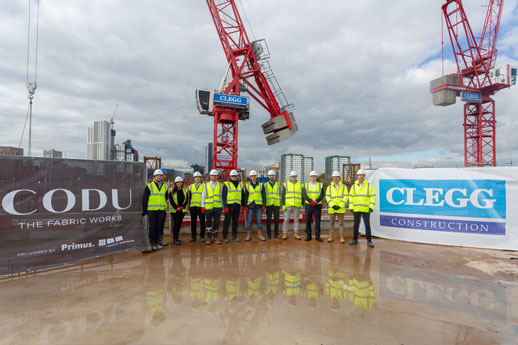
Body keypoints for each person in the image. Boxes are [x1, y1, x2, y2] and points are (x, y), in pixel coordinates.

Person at [141, 169, 168, 252]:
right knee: (152, 227)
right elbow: (145, 199)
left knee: (158, 227)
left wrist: (163, 208)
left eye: (160, 175)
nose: (159, 177)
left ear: (162, 177)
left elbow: (165, 198)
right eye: (157, 175)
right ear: (155, 177)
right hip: (152, 210)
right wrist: (145, 211)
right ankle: (152, 243)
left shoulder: (165, 187)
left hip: (161, 210)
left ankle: (157, 243)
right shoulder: (149, 186)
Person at [349, 169, 376, 248]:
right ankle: (355, 239)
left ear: (364, 176)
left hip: (366, 209)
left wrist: (371, 207)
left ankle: (369, 240)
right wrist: (351, 207)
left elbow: (372, 196)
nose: (361, 176)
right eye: (359, 175)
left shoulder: (369, 185)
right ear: (357, 176)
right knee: (356, 225)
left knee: (367, 225)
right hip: (356, 209)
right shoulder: (353, 186)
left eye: (362, 175)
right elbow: (351, 197)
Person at [325, 171, 348, 243]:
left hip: (340, 208)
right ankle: (331, 236)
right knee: (331, 222)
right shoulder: (329, 187)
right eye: (334, 177)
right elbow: (327, 197)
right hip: (332, 208)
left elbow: (345, 197)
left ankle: (341, 236)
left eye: (337, 177)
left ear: (339, 178)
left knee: (341, 223)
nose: (336, 178)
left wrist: (340, 205)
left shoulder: (344, 187)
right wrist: (332, 205)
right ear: (332, 178)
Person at [222, 169, 244, 243]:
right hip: (229, 206)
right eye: (232, 176)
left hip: (237, 206)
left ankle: (234, 236)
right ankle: (225, 237)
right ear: (230, 176)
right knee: (227, 222)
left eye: (235, 176)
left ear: (237, 176)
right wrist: (225, 206)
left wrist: (243, 205)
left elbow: (242, 195)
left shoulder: (240, 184)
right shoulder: (226, 184)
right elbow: (224, 196)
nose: (234, 177)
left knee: (235, 222)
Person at [243, 170, 266, 241]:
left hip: (258, 205)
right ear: (250, 177)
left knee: (259, 220)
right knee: (249, 220)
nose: (253, 177)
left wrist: (263, 205)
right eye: (252, 176)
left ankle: (260, 235)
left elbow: (263, 196)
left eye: (254, 176)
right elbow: (245, 197)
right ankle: (248, 235)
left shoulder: (261, 185)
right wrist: (245, 206)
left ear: (256, 176)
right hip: (250, 206)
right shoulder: (248, 186)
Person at [201, 169, 223, 245]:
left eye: (215, 175)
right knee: (209, 223)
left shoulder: (220, 185)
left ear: (217, 176)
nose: (213, 177)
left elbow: (221, 196)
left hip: (217, 207)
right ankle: (209, 238)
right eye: (212, 175)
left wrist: (222, 206)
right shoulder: (206, 185)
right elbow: (203, 196)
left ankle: (216, 238)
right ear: (210, 176)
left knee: (217, 223)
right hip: (209, 207)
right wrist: (203, 206)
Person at [302, 171, 325, 242]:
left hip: (317, 205)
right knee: (308, 220)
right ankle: (308, 235)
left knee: (317, 221)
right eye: (312, 176)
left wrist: (316, 201)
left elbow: (322, 195)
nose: (313, 177)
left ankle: (317, 236)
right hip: (309, 205)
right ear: (310, 177)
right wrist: (311, 201)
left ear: (316, 177)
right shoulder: (306, 185)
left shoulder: (320, 185)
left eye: (314, 176)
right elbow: (304, 195)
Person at [281, 170, 303, 240]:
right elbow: (283, 195)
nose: (293, 177)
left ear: (296, 177)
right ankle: (284, 233)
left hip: (296, 205)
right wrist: (283, 204)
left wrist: (302, 203)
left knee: (296, 220)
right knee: (286, 219)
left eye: (294, 176)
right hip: (288, 205)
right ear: (290, 177)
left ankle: (296, 233)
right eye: (292, 176)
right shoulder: (286, 184)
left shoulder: (300, 185)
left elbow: (302, 195)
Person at [169, 176, 188, 245]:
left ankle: (177, 237)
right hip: (175, 211)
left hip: (182, 210)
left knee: (179, 224)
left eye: (180, 182)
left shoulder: (185, 190)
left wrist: (182, 207)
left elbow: (186, 200)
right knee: (176, 224)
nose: (178, 184)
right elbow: (171, 200)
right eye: (177, 182)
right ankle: (175, 238)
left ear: (182, 183)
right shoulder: (171, 191)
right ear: (175, 183)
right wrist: (177, 207)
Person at [264, 170, 281, 240]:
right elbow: (264, 195)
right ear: (268, 176)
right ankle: (268, 234)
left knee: (276, 220)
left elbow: (280, 194)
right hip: (269, 204)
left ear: (274, 176)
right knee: (268, 220)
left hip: (276, 204)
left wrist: (280, 202)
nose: (271, 176)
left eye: (272, 175)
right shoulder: (265, 185)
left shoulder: (278, 184)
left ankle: (276, 233)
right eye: (270, 175)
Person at [188, 172, 206, 243]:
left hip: (201, 207)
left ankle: (202, 236)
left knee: (202, 222)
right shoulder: (191, 186)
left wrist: (203, 206)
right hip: (193, 207)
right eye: (196, 177)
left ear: (200, 178)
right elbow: (189, 197)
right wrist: (189, 206)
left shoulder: (204, 186)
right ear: (194, 178)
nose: (197, 178)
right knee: (193, 222)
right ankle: (193, 236)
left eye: (198, 177)